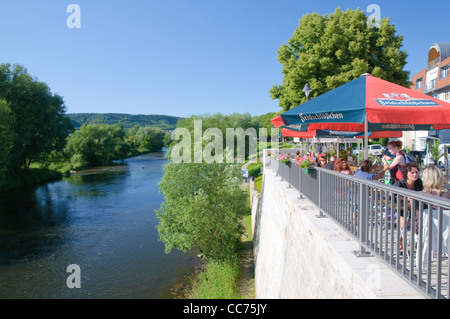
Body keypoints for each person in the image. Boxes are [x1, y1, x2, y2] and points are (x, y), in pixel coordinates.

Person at [393, 163, 423, 251]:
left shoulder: (418, 183)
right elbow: (392, 196)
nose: (415, 175)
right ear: (406, 173)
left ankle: (418, 242)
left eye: (417, 173)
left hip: (414, 209)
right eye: (412, 172)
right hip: (400, 209)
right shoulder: (400, 183)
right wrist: (406, 198)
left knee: (423, 219)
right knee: (402, 222)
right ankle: (400, 243)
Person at [414, 165, 450, 234]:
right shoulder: (448, 196)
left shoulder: (419, 196)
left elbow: (418, 222)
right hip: (446, 238)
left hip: (426, 236)